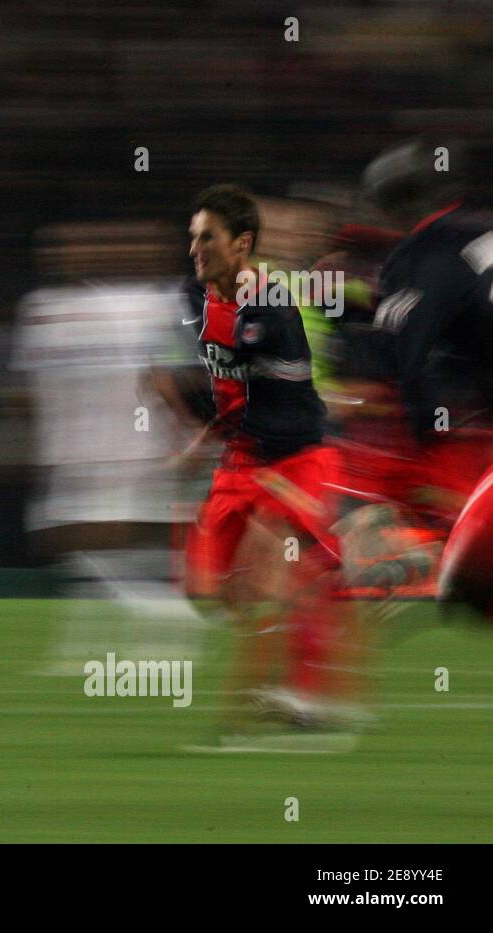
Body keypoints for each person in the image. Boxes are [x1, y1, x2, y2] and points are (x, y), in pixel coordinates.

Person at [179, 185, 355, 742]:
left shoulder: (273, 312)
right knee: (207, 589)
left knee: (272, 564)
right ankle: (297, 656)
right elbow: (220, 385)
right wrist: (205, 430)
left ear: (242, 245)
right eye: (193, 237)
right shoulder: (198, 297)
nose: (195, 248)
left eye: (208, 238)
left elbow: (284, 411)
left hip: (294, 454)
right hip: (240, 460)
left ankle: (299, 696)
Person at [358, 138, 493, 618]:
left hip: (464, 440)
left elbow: (405, 356)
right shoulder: (481, 229)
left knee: (469, 577)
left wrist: (428, 439)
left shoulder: (421, 251)